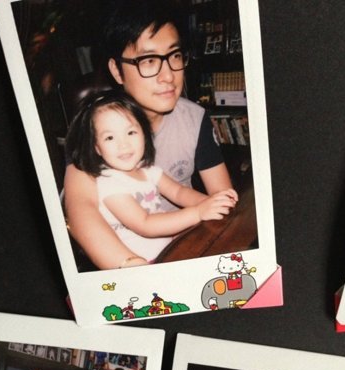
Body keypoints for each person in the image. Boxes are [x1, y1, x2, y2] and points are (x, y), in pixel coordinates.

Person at [64, 0, 235, 269]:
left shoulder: (194, 118)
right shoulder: (95, 128)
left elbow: (220, 196)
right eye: (148, 60)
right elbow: (80, 212)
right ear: (117, 70)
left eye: (174, 56)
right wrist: (131, 267)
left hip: (190, 242)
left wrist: (214, 211)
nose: (168, 76)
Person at [65, 90, 238, 266]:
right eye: (109, 137)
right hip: (146, 263)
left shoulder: (148, 170)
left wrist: (210, 202)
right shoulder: (109, 183)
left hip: (168, 250)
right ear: (97, 148)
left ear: (144, 134)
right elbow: (145, 224)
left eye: (131, 132)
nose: (123, 144)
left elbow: (179, 192)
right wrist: (198, 212)